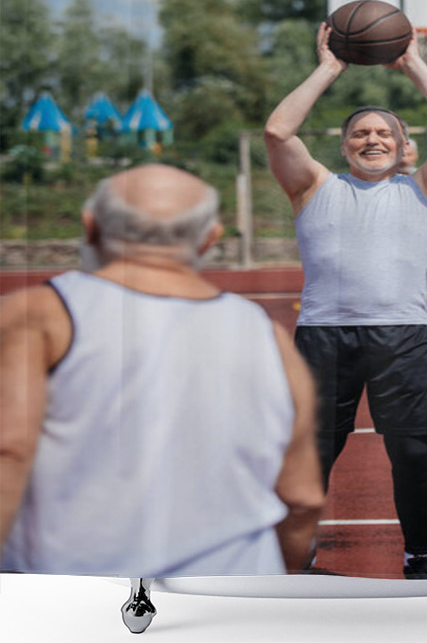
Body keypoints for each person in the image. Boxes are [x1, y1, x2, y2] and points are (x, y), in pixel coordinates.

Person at [0, 164, 325, 577]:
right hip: (232, 592)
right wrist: (276, 582)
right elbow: (303, 497)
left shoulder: (39, 315)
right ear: (210, 238)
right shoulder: (268, 336)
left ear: (91, 227)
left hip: (79, 590)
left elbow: (8, 448)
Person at [264, 25, 427, 579]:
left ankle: (421, 555)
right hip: (322, 335)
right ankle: (296, 553)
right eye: (360, 132)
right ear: (343, 144)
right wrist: (330, 68)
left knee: (411, 455)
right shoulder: (313, 187)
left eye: (384, 132)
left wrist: (412, 63)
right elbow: (278, 131)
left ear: (404, 146)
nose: (372, 138)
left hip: (401, 336)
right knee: (310, 457)